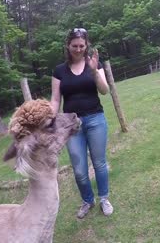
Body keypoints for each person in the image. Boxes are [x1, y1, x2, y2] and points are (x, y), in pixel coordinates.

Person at [50, 28, 113, 218]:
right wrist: (50, 120)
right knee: (79, 169)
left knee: (99, 163)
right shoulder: (59, 70)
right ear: (68, 46)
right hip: (71, 125)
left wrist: (94, 72)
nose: (78, 49)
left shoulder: (94, 64)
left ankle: (104, 198)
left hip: (95, 119)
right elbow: (55, 99)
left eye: (82, 46)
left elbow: (105, 91)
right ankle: (87, 200)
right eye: (74, 46)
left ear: (87, 46)